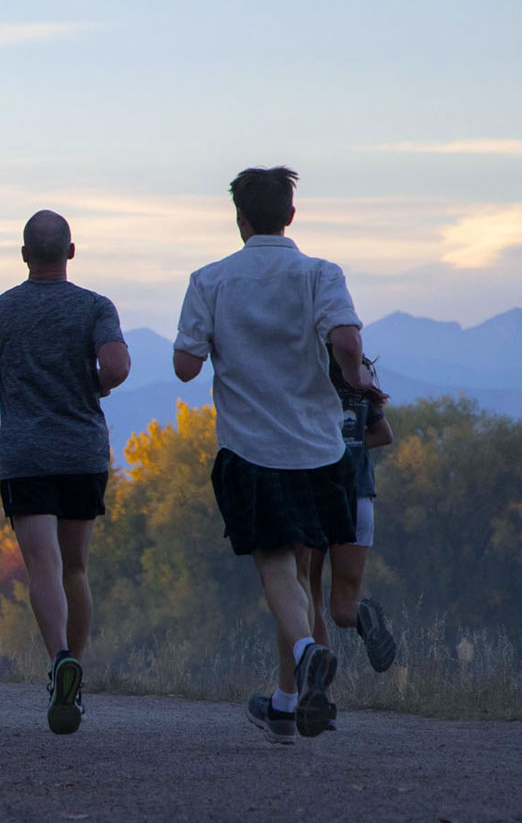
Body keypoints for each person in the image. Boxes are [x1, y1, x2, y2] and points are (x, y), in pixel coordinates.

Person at [173, 166, 371, 742]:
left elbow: (185, 367)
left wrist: (214, 346)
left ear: (239, 219)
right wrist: (353, 378)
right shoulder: (321, 274)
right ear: (290, 213)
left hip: (252, 448)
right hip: (320, 447)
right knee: (304, 570)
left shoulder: (210, 280)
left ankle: (308, 654)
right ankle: (286, 705)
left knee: (275, 564)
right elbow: (347, 339)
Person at [0, 211, 130, 734]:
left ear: (23, 255)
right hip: (82, 454)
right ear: (71, 252)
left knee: (43, 567)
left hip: (27, 456)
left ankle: (59, 658)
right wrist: (93, 384)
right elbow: (118, 367)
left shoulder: (1, 312)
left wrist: (16, 372)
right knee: (75, 568)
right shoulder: (94, 307)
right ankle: (72, 676)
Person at [301, 351, 398, 727]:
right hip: (360, 499)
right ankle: (364, 617)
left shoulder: (311, 379)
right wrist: (350, 445)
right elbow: (384, 434)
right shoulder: (361, 383)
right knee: (344, 606)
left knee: (308, 593)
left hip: (318, 496)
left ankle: (318, 690)